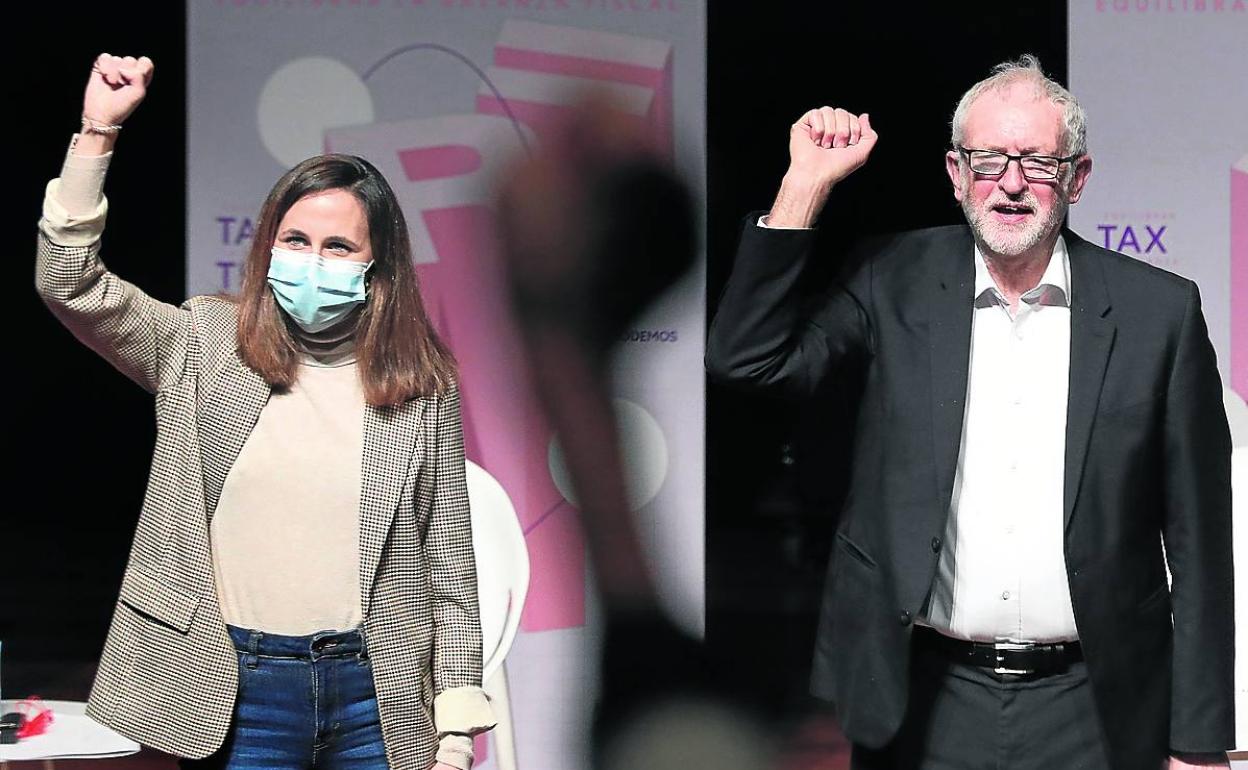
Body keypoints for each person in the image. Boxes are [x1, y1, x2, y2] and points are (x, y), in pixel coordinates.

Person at [706, 55, 1234, 770]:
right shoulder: (889, 279)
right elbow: (748, 361)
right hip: (922, 699)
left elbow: (1201, 545)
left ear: (1077, 178)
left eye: (1037, 162)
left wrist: (1198, 743)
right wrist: (803, 186)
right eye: (988, 160)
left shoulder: (1159, 313)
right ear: (956, 173)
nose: (1011, 183)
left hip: (1098, 707)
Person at [35, 53, 495, 770]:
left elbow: (449, 563)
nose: (313, 260)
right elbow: (70, 283)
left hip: (377, 696)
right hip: (234, 692)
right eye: (296, 241)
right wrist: (98, 132)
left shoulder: (420, 383)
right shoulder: (203, 342)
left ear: (376, 267)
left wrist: (457, 729)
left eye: (338, 247)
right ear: (267, 247)